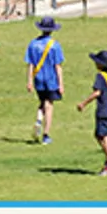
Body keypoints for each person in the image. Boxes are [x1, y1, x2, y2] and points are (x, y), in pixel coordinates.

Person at [75, 50, 107, 176]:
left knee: (104, 135)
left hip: (103, 109)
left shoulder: (100, 76)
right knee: (99, 134)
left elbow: (97, 92)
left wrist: (84, 103)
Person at [24, 16, 65, 145]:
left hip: (38, 79)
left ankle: (38, 120)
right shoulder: (55, 45)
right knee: (49, 105)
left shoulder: (32, 44)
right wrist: (61, 84)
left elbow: (30, 64)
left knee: (42, 102)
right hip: (51, 79)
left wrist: (29, 81)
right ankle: (46, 134)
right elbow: (58, 66)